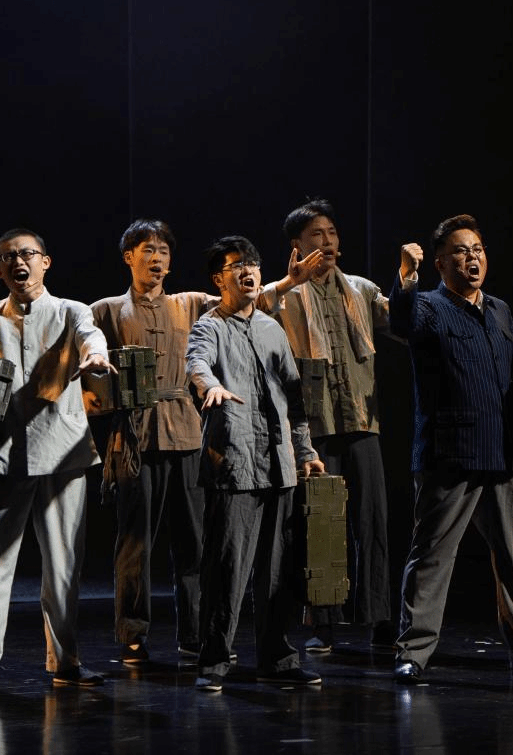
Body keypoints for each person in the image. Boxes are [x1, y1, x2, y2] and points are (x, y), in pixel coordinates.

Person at [389, 215, 513, 685]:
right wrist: (406, 277)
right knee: (432, 555)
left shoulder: (498, 309)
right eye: (460, 251)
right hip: (450, 453)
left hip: (502, 450)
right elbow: (402, 321)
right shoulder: (428, 306)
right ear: (440, 263)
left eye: (477, 249)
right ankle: (413, 652)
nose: (472, 257)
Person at [0, 228, 113, 697]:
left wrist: (95, 356)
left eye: (28, 253)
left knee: (64, 568)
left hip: (63, 454)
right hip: (3, 456)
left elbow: (91, 336)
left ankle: (66, 661)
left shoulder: (72, 311)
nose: (19, 262)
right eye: (9, 257)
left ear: (46, 262)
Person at [184, 235, 327, 692]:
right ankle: (213, 661)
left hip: (279, 466)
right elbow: (197, 363)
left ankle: (277, 658)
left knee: (277, 571)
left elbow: (295, 402)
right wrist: (210, 386)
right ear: (218, 279)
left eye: (253, 263)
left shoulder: (272, 329)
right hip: (235, 464)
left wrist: (306, 453)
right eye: (237, 265)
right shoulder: (209, 326)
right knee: (227, 570)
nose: (247, 271)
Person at [257, 199, 398, 653]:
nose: (328, 241)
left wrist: (409, 278)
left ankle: (378, 615)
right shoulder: (287, 296)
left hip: (361, 419)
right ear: (297, 245)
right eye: (316, 235)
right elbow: (249, 312)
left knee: (372, 521)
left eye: (332, 233)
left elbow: (404, 321)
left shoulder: (361, 289)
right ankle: (324, 623)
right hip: (314, 428)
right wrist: (288, 282)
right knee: (321, 523)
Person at [90, 219, 215, 666]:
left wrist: (287, 282)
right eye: (148, 249)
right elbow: (77, 345)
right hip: (135, 437)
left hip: (185, 433)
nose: (157, 258)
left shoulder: (190, 304)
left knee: (194, 541)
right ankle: (132, 634)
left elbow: (244, 299)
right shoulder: (106, 310)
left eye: (163, 250)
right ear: (129, 257)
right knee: (135, 541)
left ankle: (195, 633)